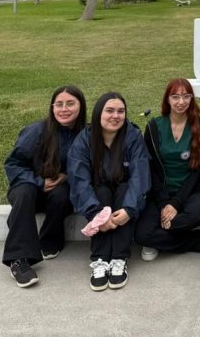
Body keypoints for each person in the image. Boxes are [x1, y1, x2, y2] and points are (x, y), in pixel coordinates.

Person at [3, 85, 87, 288]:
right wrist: (40, 182)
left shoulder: (86, 134)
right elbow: (13, 164)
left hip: (59, 192)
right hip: (29, 187)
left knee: (62, 195)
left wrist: (66, 176)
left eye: (70, 104)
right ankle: (19, 260)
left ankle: (50, 241)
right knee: (23, 193)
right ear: (52, 107)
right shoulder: (36, 131)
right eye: (59, 104)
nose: (64, 109)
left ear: (81, 107)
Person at [69, 92, 150, 291]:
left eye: (121, 111)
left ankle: (119, 259)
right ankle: (100, 260)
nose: (116, 116)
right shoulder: (85, 139)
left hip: (124, 195)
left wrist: (129, 210)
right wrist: (95, 214)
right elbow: (78, 179)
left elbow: (140, 175)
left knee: (124, 191)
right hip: (98, 195)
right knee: (102, 194)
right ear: (98, 113)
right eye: (110, 111)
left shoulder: (132, 136)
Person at [134, 79, 200, 260]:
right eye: (175, 96)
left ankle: (156, 239)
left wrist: (175, 204)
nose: (181, 102)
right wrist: (164, 203)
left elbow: (197, 172)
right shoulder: (154, 127)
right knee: (140, 235)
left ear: (191, 98)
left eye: (186, 96)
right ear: (167, 99)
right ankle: (196, 240)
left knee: (196, 215)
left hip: (187, 190)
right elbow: (151, 169)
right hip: (159, 191)